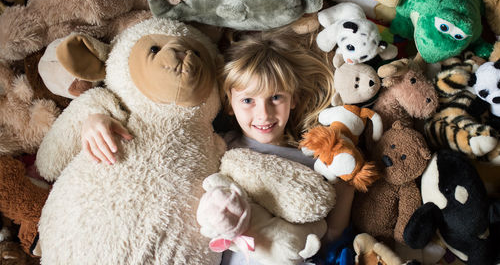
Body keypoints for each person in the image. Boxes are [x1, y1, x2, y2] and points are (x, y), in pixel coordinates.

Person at [80, 30, 355, 264]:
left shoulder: (312, 160)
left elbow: (329, 236)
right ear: (229, 103)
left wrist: (348, 182)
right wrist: (95, 117)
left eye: (275, 97)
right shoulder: (219, 144)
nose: (264, 114)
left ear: (293, 99)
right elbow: (154, 130)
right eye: (248, 100)